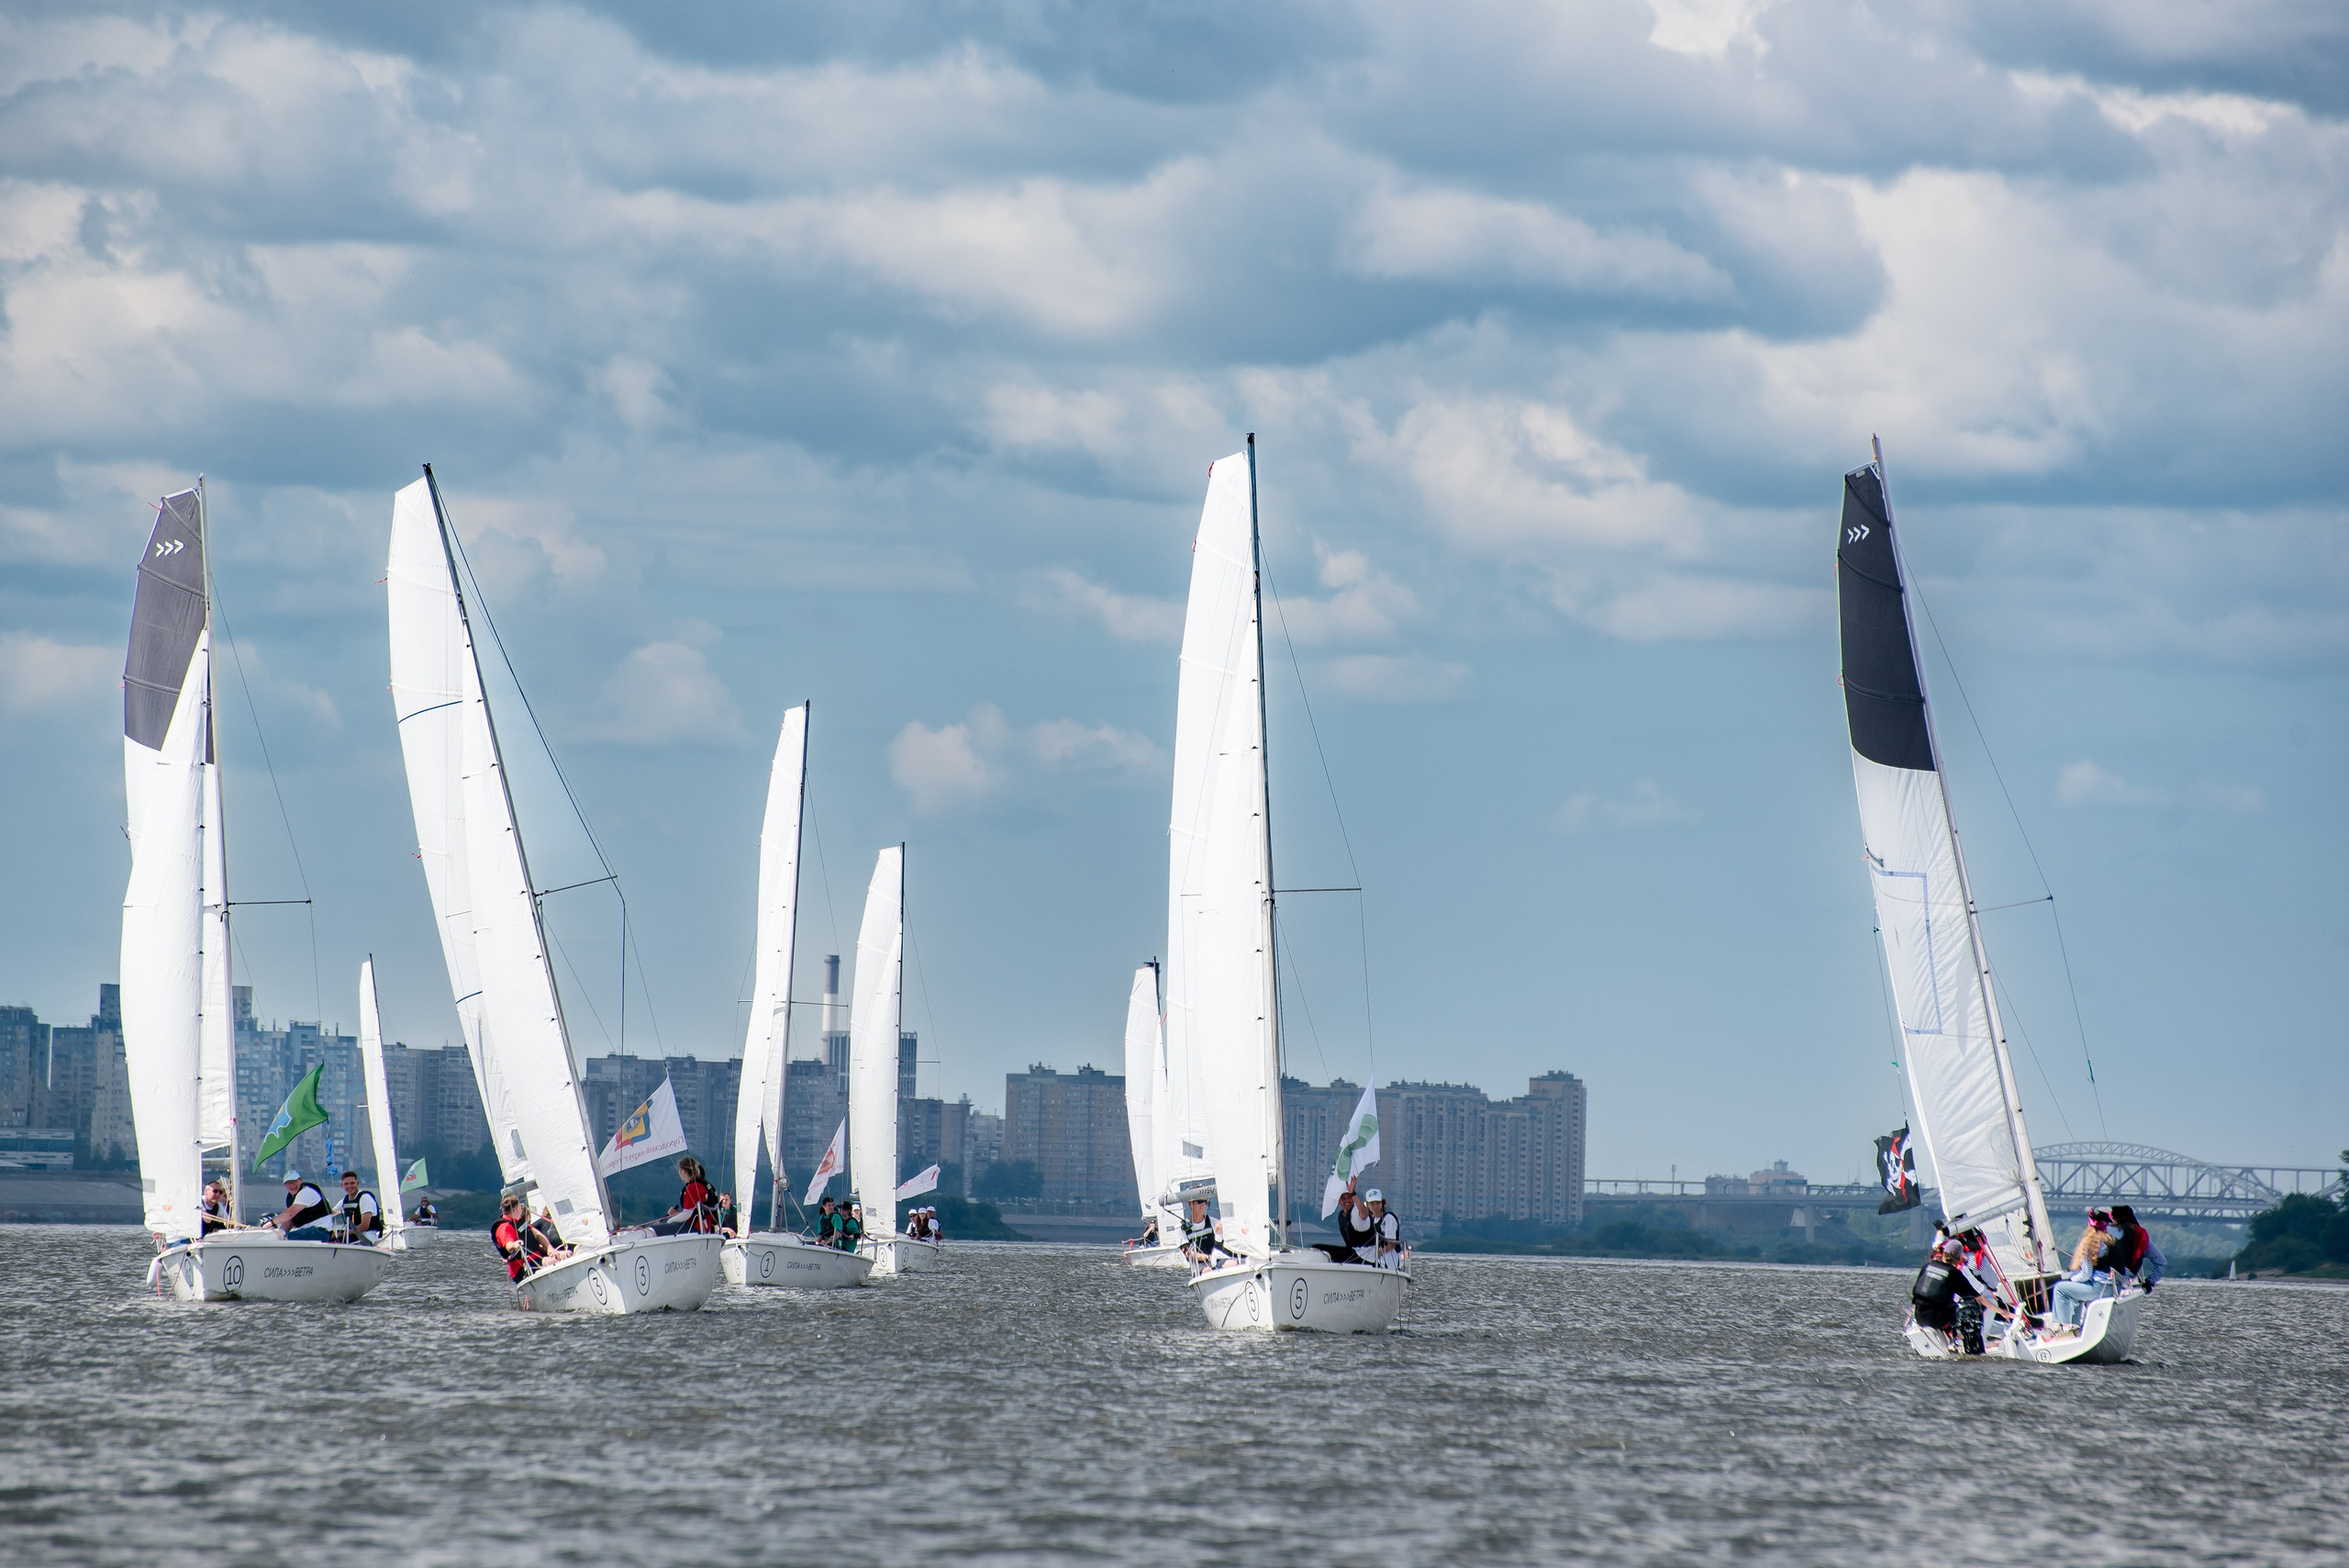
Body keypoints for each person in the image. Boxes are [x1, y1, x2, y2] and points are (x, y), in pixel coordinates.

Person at [2048, 1211, 2121, 1333]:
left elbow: (2086, 1274)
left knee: (2060, 1289)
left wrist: (2071, 1280)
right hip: (2113, 1287)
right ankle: (2075, 1327)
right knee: (2076, 1295)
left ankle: (2065, 1329)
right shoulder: (2113, 1241)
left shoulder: (2091, 1243)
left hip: (2098, 1288)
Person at [1317, 1177, 1376, 1263]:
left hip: (1366, 1257)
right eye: (1343, 1198)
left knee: (1324, 1253)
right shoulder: (1341, 1215)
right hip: (1353, 1253)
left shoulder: (1355, 1212)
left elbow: (1364, 1214)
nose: (1347, 1200)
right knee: (1318, 1249)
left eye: (1349, 1197)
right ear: (1338, 1200)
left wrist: (1353, 1193)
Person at [268, 1172, 334, 1240]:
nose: (292, 1185)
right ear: (285, 1185)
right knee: (279, 1237)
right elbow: (289, 1221)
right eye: (289, 1183)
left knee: (283, 1239)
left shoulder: (307, 1192)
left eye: (294, 1181)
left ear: (300, 1180)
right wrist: (279, 1233)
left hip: (319, 1232)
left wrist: (271, 1223)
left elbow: (290, 1213)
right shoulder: (291, 1199)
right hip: (306, 1232)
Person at [2113, 1205, 2165, 1289]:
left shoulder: (2108, 1235)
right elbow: (2162, 1263)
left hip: (2105, 1280)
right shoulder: (2142, 1238)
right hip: (2126, 1280)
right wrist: (2149, 1282)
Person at [1180, 1195, 1234, 1268]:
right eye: (1200, 1202)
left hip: (1216, 1260)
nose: (1203, 1205)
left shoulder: (1213, 1222)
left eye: (1206, 1202)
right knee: (1209, 1271)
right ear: (1190, 1204)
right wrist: (1208, 1257)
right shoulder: (1181, 1227)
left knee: (1234, 1264)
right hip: (1199, 1265)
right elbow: (1187, 1253)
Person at [492, 1195, 537, 1282]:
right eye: (520, 1206)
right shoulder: (504, 1227)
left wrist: (549, 1248)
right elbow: (508, 1244)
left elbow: (537, 1234)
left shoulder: (519, 1221)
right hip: (522, 1268)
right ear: (517, 1209)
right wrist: (515, 1244)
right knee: (550, 1262)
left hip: (534, 1260)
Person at [334, 1171, 385, 1244]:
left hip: (366, 1237)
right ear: (342, 1185)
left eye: (352, 1183)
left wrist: (341, 1234)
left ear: (357, 1183)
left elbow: (364, 1226)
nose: (349, 1186)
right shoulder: (345, 1200)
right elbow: (331, 1212)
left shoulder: (365, 1198)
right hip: (353, 1236)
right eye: (346, 1184)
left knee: (336, 1237)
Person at [1363, 1189, 1404, 1268]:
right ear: (1367, 1205)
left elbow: (1392, 1244)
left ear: (1382, 1203)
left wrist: (1376, 1254)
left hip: (1389, 1258)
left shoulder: (1388, 1218)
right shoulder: (1369, 1220)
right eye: (1372, 1204)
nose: (1375, 1206)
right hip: (1375, 1258)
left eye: (1378, 1203)